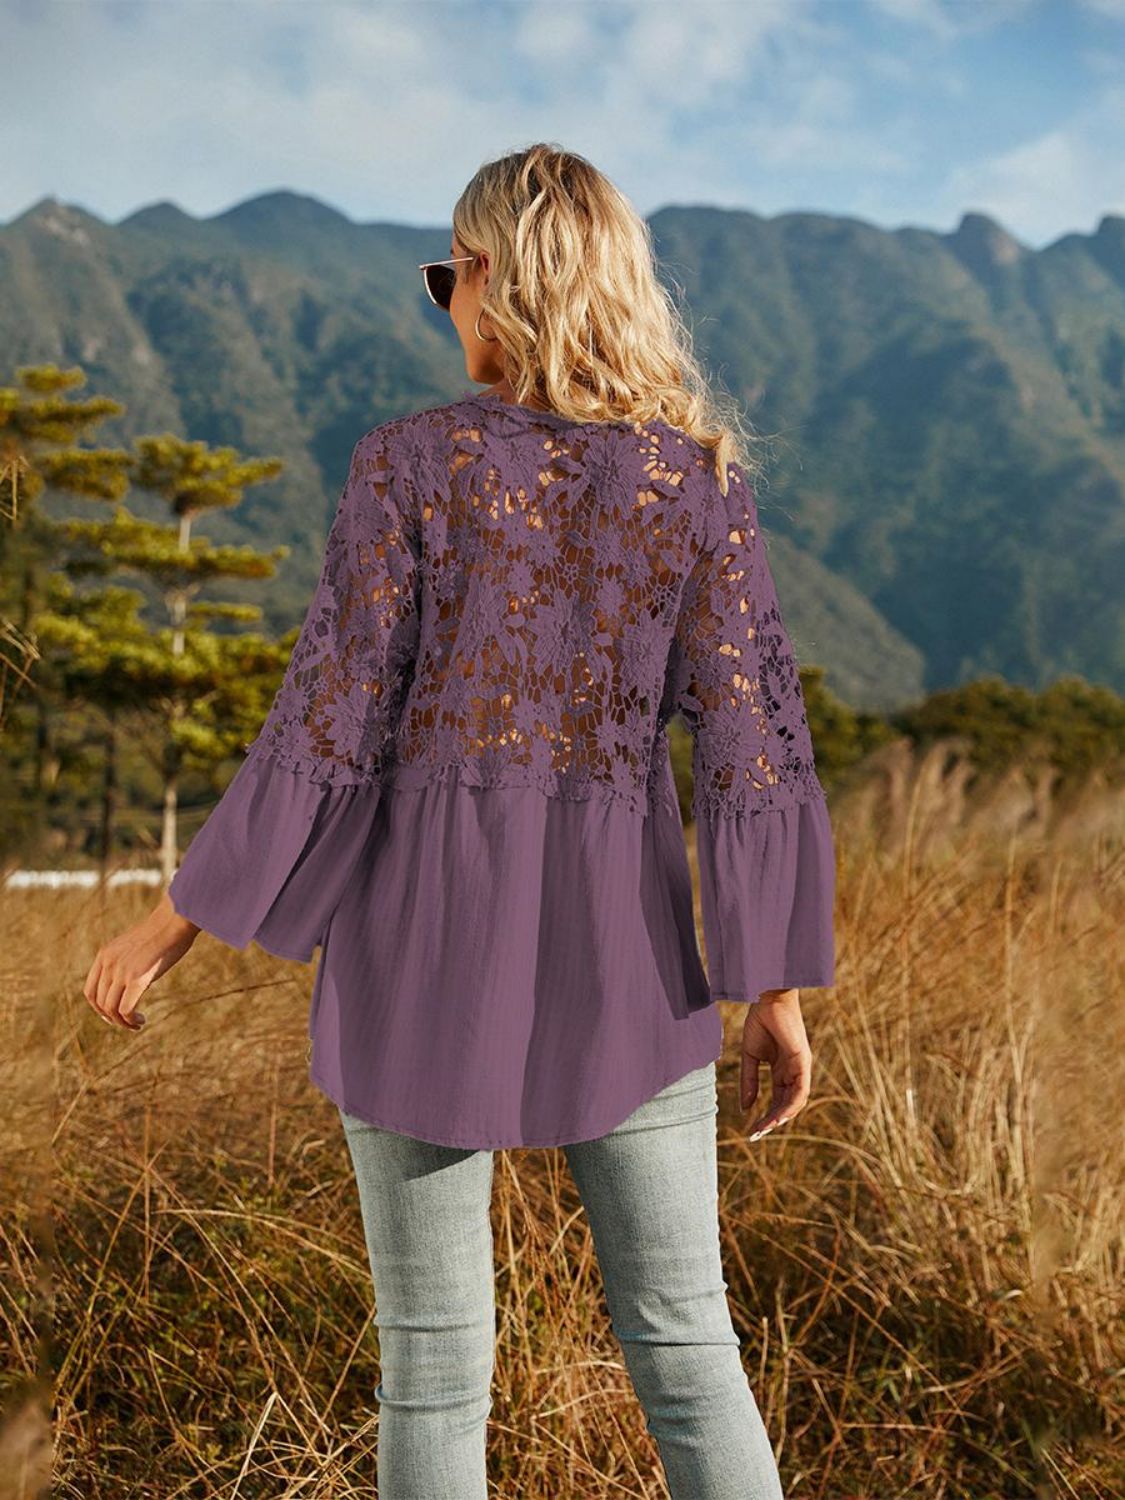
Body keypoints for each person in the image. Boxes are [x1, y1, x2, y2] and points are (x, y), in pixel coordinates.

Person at [83, 143, 835, 1499]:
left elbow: (329, 723)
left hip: (417, 955)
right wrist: (769, 989)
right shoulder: (697, 484)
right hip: (632, 961)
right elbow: (752, 750)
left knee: (433, 1365)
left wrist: (172, 920)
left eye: (448, 275)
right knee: (684, 1346)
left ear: (498, 278)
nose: (444, 303)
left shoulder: (407, 466)